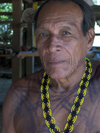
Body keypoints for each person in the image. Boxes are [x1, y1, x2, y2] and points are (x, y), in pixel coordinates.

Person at [1, 0, 100, 133]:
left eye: (66, 33)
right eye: (43, 34)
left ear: (89, 39)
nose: (52, 46)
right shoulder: (19, 94)